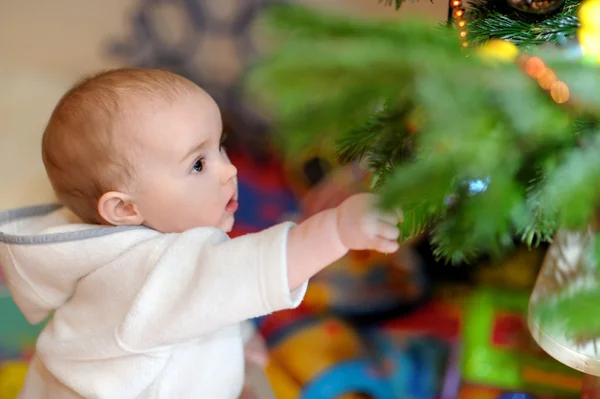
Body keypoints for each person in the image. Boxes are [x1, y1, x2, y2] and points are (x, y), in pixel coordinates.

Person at [0, 68, 401, 398]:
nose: (229, 170)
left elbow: (204, 296)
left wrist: (240, 336)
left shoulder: (139, 261)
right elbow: (245, 271)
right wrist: (337, 228)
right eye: (198, 164)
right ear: (125, 208)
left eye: (221, 148)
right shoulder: (148, 271)